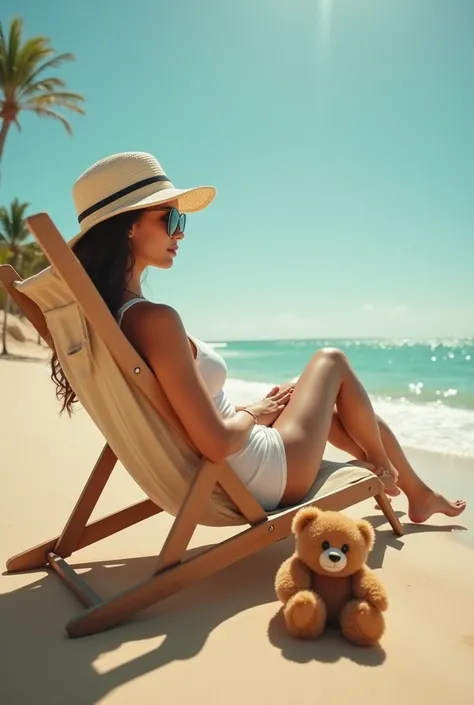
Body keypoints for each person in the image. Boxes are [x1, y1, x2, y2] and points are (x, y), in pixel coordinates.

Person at [51, 151, 466, 523]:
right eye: (172, 219)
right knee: (331, 360)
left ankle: (416, 491)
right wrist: (253, 415)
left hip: (240, 465)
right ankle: (384, 470)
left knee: (296, 389)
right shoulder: (154, 321)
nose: (181, 233)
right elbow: (215, 442)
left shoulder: (116, 319)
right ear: (128, 226)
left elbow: (196, 420)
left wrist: (256, 410)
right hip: (264, 475)